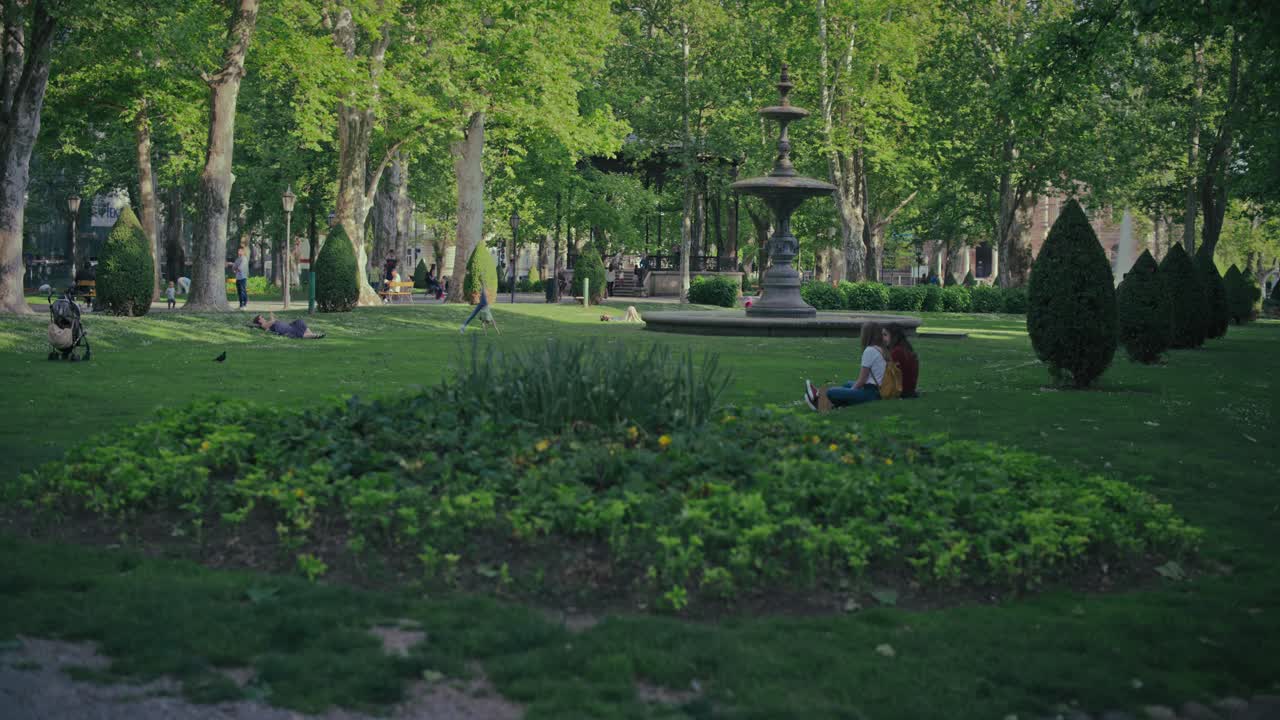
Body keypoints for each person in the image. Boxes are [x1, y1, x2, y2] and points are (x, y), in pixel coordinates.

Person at [804, 322, 889, 411]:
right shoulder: (882, 349)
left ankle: (819, 404)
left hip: (872, 394)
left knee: (831, 392)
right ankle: (821, 397)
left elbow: (862, 380)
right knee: (847, 384)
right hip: (880, 390)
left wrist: (852, 391)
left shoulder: (870, 350)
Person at [886, 323, 919, 399]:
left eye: (885, 335)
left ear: (894, 336)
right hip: (909, 391)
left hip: (900, 392)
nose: (882, 338)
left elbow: (887, 376)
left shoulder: (897, 352)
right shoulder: (906, 348)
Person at [251, 313, 325, 339]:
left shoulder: (267, 323)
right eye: (262, 317)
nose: (263, 318)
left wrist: (272, 317)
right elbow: (272, 322)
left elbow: (273, 321)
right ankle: (315, 336)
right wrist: (272, 317)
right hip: (285, 330)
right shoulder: (263, 325)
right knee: (296, 332)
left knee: (300, 322)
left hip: (289, 325)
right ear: (259, 321)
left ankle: (311, 334)